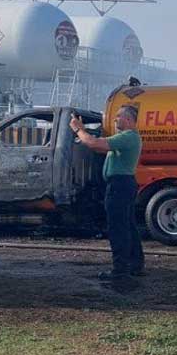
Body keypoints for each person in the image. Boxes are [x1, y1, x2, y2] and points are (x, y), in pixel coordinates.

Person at [69, 105, 144, 288]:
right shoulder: (127, 139)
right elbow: (98, 147)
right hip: (124, 185)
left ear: (128, 119)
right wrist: (87, 135)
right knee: (128, 226)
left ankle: (120, 272)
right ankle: (134, 264)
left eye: (118, 116)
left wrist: (79, 129)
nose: (115, 119)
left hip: (119, 186)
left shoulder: (127, 137)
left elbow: (94, 144)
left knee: (118, 228)